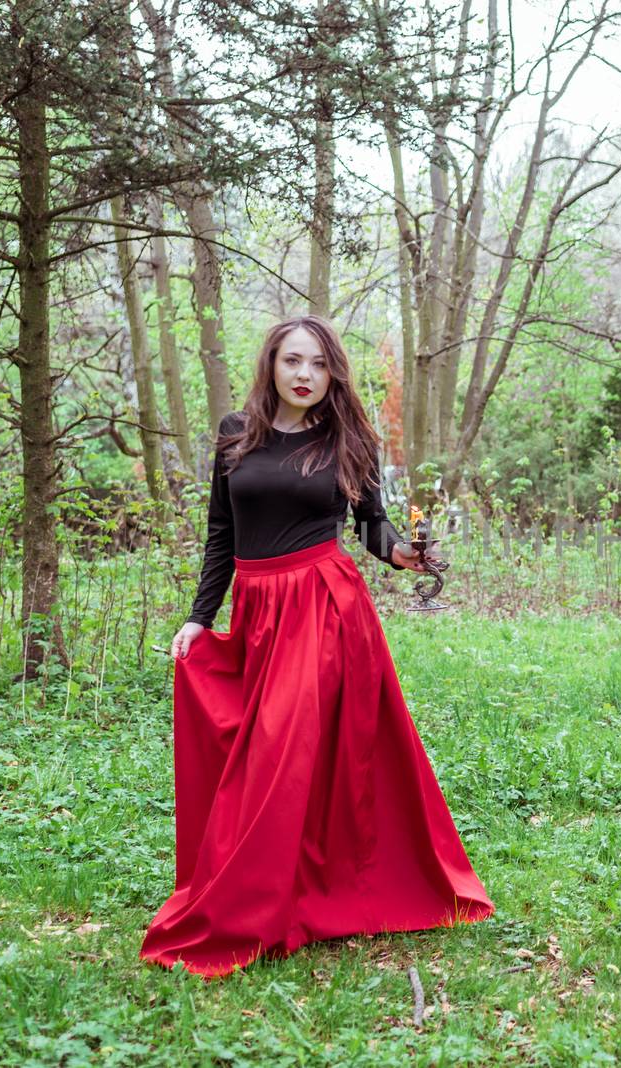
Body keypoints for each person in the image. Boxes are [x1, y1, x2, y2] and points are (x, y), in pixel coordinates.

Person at [139, 314, 494, 978]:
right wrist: (198, 616)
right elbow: (222, 532)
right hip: (256, 611)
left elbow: (373, 527)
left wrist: (408, 558)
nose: (304, 375)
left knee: (282, 753)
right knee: (268, 750)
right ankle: (288, 883)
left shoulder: (348, 439)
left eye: (318, 365)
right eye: (293, 361)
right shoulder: (235, 435)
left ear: (332, 374)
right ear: (271, 364)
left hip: (323, 609)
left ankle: (257, 908)